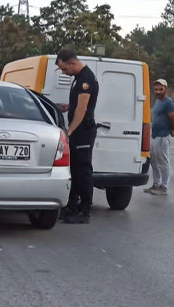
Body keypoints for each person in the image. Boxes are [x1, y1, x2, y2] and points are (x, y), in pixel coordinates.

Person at [55, 49, 99, 224]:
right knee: (73, 169)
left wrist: (70, 131)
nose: (64, 73)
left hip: (83, 131)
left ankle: (85, 210)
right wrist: (68, 107)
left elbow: (82, 110)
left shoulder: (85, 80)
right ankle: (71, 206)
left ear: (73, 63)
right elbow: (77, 106)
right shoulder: (78, 79)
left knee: (83, 170)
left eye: (64, 69)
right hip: (78, 130)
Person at [145, 78, 174, 196]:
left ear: (166, 89)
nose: (158, 91)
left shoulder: (169, 103)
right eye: (156, 89)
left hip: (163, 136)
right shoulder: (158, 101)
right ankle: (156, 184)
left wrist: (173, 129)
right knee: (154, 162)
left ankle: (164, 187)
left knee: (163, 162)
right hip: (154, 135)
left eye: (161, 89)